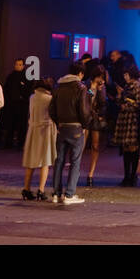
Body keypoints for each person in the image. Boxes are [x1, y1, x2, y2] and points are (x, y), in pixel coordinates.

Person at [49, 62, 92, 204]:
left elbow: (52, 109)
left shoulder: (59, 86)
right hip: (76, 127)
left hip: (62, 127)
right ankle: (69, 194)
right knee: (75, 161)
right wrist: (85, 125)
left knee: (59, 161)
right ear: (80, 74)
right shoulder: (81, 88)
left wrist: (58, 123)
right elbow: (84, 110)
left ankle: (56, 193)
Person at [21, 79, 55, 200]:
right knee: (44, 162)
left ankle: (26, 189)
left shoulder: (32, 97)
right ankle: (41, 190)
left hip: (33, 130)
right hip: (45, 131)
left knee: (31, 161)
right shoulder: (49, 99)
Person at [115, 66, 140, 186]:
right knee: (126, 150)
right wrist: (119, 95)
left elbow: (139, 104)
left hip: (133, 121)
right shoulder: (127, 87)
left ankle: (132, 176)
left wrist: (125, 106)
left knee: (133, 149)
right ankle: (127, 176)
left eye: (126, 74)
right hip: (125, 121)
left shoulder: (138, 86)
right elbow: (119, 101)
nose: (125, 77)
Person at [83, 63, 108, 187]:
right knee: (81, 144)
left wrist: (101, 91)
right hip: (86, 117)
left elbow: (103, 103)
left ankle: (91, 174)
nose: (101, 79)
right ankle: (76, 170)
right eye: (99, 76)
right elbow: (85, 100)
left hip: (95, 118)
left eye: (102, 77)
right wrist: (93, 90)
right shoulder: (87, 84)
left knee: (95, 145)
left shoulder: (102, 87)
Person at [2, 58, 31, 150]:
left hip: (22, 105)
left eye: (19, 64)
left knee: (21, 124)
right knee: (10, 124)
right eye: (16, 64)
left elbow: (29, 90)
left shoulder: (27, 77)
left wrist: (23, 97)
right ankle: (8, 143)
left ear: (23, 66)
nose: (17, 66)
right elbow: (6, 89)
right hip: (11, 105)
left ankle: (21, 143)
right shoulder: (11, 76)